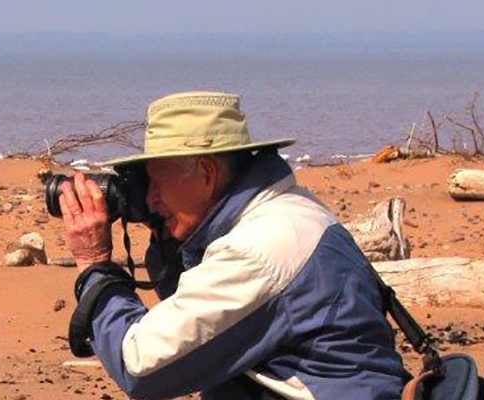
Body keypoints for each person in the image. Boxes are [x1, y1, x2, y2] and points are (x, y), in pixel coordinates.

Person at [58, 91, 410, 400]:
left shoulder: (258, 249)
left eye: (155, 181)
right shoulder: (290, 209)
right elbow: (195, 324)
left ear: (207, 173)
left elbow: (140, 366)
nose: (150, 198)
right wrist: (166, 237)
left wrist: (95, 266)